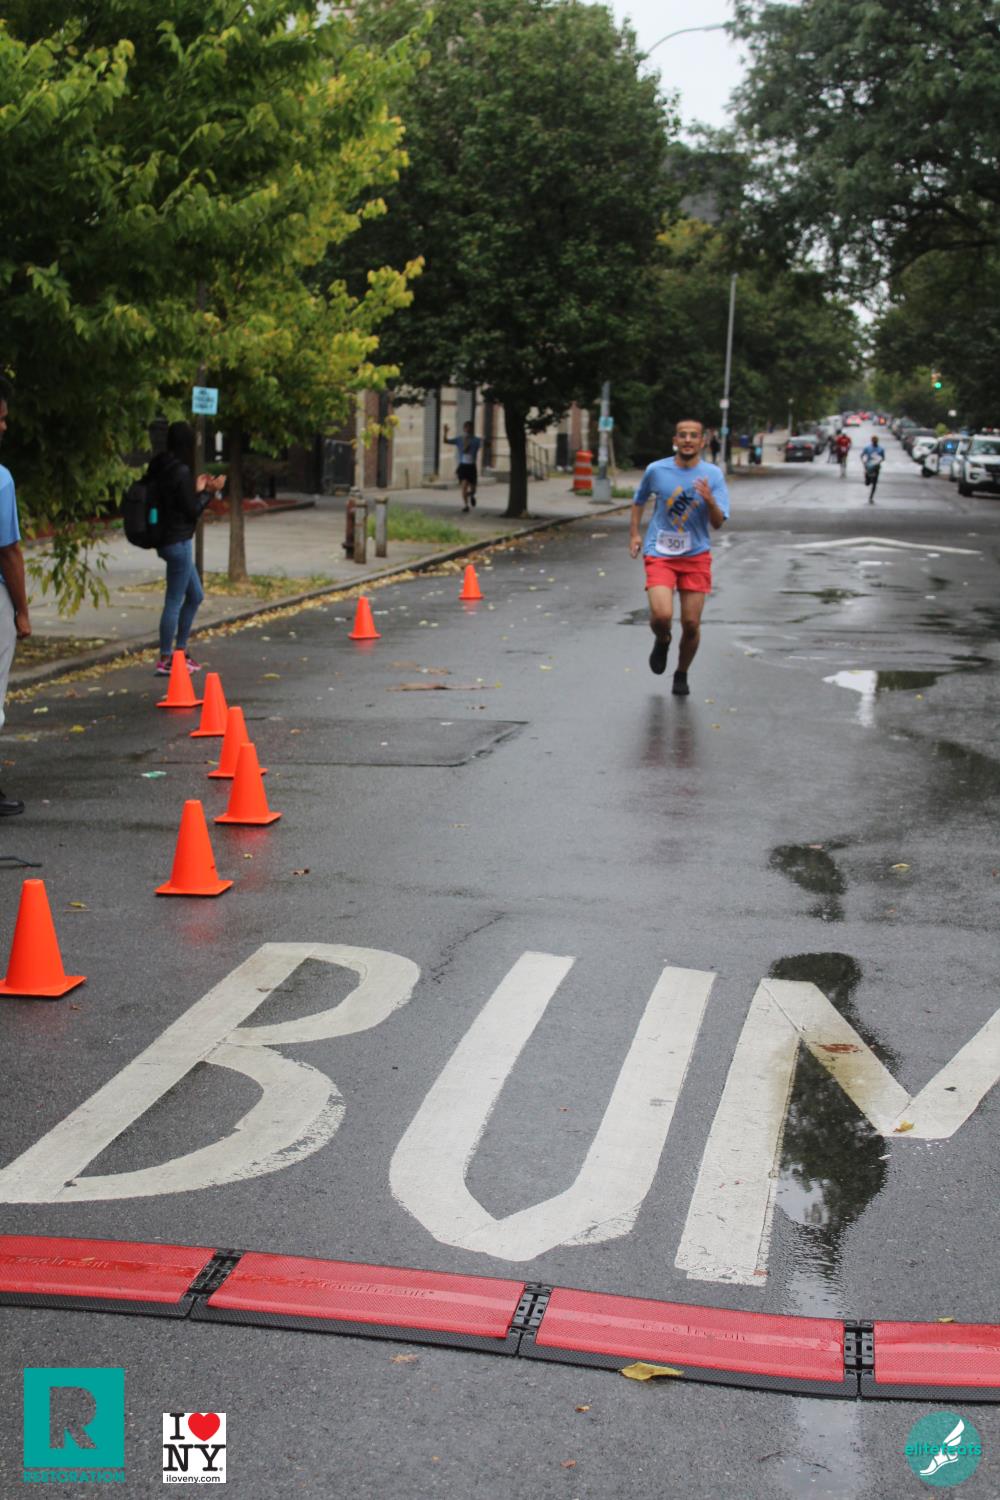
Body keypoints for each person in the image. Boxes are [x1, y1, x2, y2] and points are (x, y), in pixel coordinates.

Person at [630, 418, 730, 697]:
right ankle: (662, 639)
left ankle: (681, 673)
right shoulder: (656, 470)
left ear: (702, 442)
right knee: (662, 616)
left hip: (695, 555)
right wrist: (635, 534)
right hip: (660, 552)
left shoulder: (713, 475)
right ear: (675, 440)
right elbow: (639, 501)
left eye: (693, 435)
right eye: (683, 435)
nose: (688, 440)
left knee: (691, 624)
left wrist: (710, 500)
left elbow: (718, 523)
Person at [148, 421, 213, 675]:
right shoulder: (181, 470)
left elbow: (175, 501)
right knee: (174, 600)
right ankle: (167, 657)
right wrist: (209, 492)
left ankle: (180, 652)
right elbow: (191, 510)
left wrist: (195, 489)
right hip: (178, 541)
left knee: (195, 595)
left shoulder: (160, 466)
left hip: (165, 538)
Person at [0, 378, 31, 815]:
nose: (5, 427)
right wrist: (22, 612)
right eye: (1, 419)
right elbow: (8, 552)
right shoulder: (1, 480)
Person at [443, 420, 482, 512]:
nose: (468, 429)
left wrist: (487, 442)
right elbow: (446, 441)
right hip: (463, 466)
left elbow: (486, 445)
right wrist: (445, 432)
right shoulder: (459, 439)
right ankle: (466, 505)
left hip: (472, 467)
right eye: (466, 427)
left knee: (473, 490)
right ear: (464, 429)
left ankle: (471, 495)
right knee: (464, 487)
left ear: (472, 429)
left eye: (470, 427)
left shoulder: (476, 440)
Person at [860, 432, 885, 504]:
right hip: (869, 467)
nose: (874, 442)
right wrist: (864, 463)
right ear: (871, 441)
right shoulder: (867, 448)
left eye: (875, 441)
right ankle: (867, 479)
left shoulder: (880, 449)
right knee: (867, 483)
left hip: (876, 467)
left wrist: (878, 460)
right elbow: (862, 455)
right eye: (873, 441)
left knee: (874, 483)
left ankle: (871, 497)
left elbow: (883, 458)